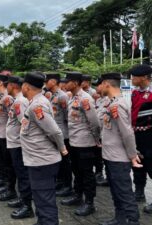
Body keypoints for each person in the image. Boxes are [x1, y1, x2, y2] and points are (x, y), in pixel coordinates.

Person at [20, 72, 67, 225]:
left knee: (45, 200)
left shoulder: (37, 105)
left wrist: (62, 148)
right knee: (40, 197)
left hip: (42, 161)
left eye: (23, 85)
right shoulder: (36, 102)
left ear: (26, 86)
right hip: (37, 160)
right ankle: (42, 221)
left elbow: (54, 131)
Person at [98, 72, 141, 225]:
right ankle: (120, 218)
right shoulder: (110, 102)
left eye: (101, 84)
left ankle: (133, 220)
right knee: (116, 191)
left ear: (107, 84)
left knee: (124, 192)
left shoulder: (117, 105)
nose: (99, 87)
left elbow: (127, 133)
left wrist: (132, 155)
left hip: (119, 158)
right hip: (110, 155)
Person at [61, 72, 100, 217]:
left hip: (85, 142)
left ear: (76, 83)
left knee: (87, 174)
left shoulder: (85, 99)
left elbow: (95, 123)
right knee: (76, 171)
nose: (65, 84)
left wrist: (96, 140)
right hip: (74, 141)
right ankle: (78, 196)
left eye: (68, 81)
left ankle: (90, 203)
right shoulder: (72, 98)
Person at [5, 76, 34, 219]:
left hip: (18, 144)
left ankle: (27, 206)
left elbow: (25, 124)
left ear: (12, 86)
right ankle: (23, 200)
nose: (6, 88)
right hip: (14, 143)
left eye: (7, 85)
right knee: (20, 174)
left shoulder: (20, 101)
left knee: (23, 176)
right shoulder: (17, 101)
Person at [44, 73, 72, 197]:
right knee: (59, 161)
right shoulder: (51, 96)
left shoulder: (62, 96)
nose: (45, 83)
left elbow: (68, 116)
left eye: (47, 81)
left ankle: (67, 185)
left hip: (63, 134)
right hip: (54, 133)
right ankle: (60, 182)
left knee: (65, 162)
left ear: (54, 81)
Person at [130, 64, 152, 213]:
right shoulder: (135, 93)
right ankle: (139, 192)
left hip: (150, 135)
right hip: (136, 135)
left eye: (134, 76)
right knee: (138, 164)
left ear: (144, 77)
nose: (132, 79)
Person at [0, 74, 17, 202]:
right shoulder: (2, 96)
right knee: (5, 162)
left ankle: (11, 189)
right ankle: (7, 185)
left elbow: (12, 117)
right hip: (1, 134)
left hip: (7, 135)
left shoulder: (7, 97)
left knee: (9, 164)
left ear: (0, 82)